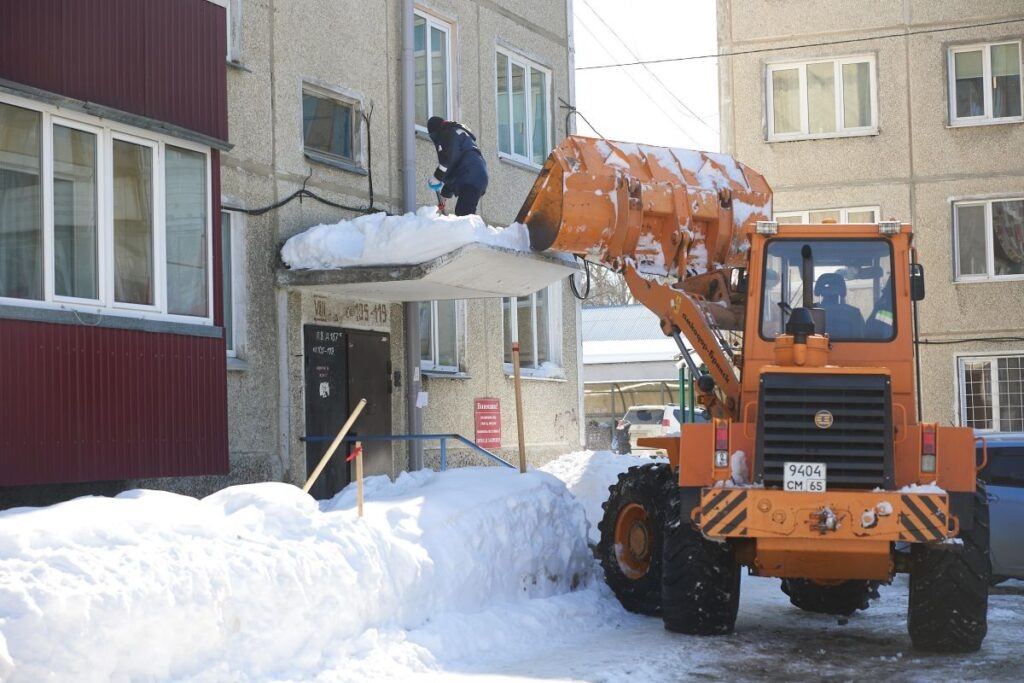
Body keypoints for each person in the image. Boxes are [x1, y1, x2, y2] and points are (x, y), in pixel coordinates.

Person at [426, 116, 488, 216]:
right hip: (475, 175)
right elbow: (455, 167)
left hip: (470, 176)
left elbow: (448, 160)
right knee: (465, 213)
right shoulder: (455, 132)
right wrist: (445, 195)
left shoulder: (446, 133)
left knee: (464, 214)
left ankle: (476, 231)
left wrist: (437, 177)